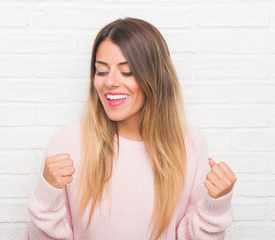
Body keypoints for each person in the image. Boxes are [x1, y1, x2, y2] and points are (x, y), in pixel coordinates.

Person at [25, 17, 236, 240]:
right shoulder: (69, 142)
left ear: (154, 77)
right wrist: (47, 195)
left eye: (126, 72)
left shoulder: (190, 143)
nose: (110, 83)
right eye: (101, 71)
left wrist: (216, 205)